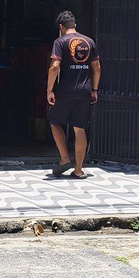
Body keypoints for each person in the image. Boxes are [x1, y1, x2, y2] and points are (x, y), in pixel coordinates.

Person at [47, 11, 100, 179]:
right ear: (75, 25)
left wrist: (49, 89)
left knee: (54, 122)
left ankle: (64, 158)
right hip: (85, 91)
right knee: (80, 128)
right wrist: (95, 89)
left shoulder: (60, 41)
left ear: (61, 27)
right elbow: (97, 67)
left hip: (65, 90)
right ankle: (78, 170)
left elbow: (54, 66)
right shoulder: (89, 41)